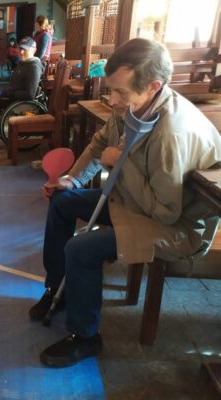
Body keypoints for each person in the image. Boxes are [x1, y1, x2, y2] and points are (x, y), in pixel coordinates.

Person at [32, 38, 221, 368]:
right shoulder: (133, 106)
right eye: (111, 90)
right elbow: (100, 144)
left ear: (153, 86)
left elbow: (164, 212)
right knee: (63, 201)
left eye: (120, 92)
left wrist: (119, 161)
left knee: (81, 249)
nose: (113, 100)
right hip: (136, 202)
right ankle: (57, 290)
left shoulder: (172, 135)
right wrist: (72, 179)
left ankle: (86, 337)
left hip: (176, 227)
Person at [0, 37, 44, 144]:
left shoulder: (33, 67)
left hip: (16, 101)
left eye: (25, 49)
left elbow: (30, 94)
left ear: (34, 50)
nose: (21, 52)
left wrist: (11, 92)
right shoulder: (24, 63)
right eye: (20, 49)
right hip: (10, 97)